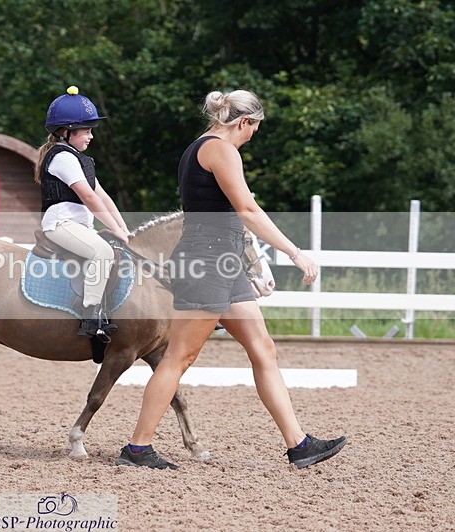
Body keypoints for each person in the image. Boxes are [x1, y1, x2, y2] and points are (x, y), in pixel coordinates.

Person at [115, 89, 347, 470]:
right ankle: (137, 448)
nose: (253, 134)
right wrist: (295, 252)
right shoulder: (221, 150)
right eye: (254, 127)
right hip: (207, 263)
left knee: (262, 348)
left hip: (225, 263)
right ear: (243, 122)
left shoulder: (197, 148)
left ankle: (299, 444)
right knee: (179, 357)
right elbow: (247, 210)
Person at [34, 85, 131, 340]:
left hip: (79, 226)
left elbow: (102, 196)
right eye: (86, 131)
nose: (91, 136)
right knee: (102, 251)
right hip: (61, 224)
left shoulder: (79, 159)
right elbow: (88, 197)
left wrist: (124, 228)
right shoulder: (63, 157)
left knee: (115, 249)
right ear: (66, 132)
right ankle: (91, 316)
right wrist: (114, 229)